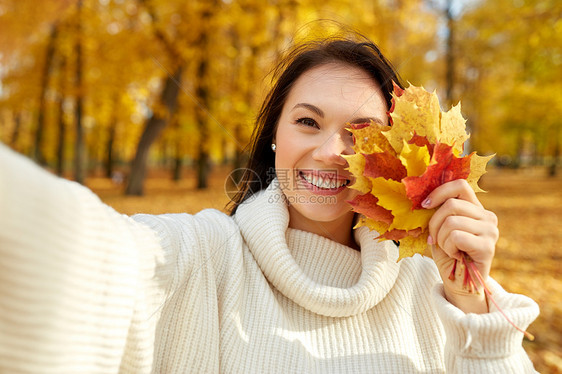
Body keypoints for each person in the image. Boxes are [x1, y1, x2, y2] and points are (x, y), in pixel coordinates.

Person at [0, 35, 538, 373]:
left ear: (394, 158)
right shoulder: (202, 256)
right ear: (275, 138)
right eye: (308, 122)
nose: (331, 152)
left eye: (361, 133)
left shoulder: (427, 289)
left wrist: (475, 308)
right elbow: (82, 250)